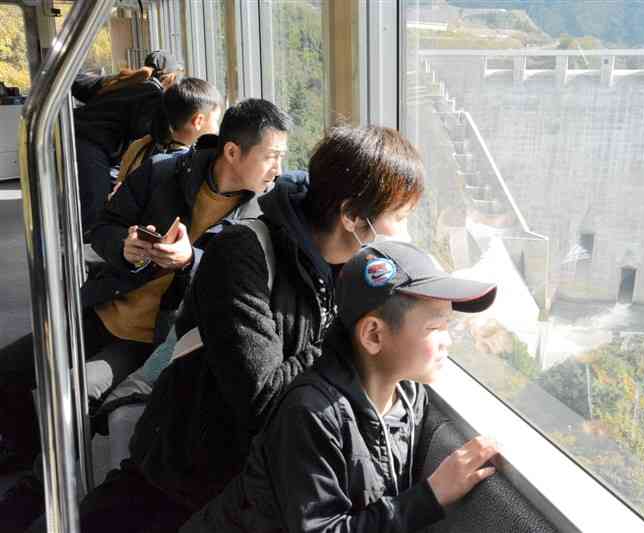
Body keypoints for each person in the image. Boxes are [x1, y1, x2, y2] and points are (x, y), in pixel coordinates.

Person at [45, 125, 426, 533]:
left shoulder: (348, 273)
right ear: (352, 216)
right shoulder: (243, 255)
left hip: (251, 493)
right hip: (181, 481)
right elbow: (260, 399)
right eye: (399, 218)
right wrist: (349, 328)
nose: (404, 236)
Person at [0, 98, 292, 533]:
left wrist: (190, 261)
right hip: (103, 305)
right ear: (233, 152)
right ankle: (23, 455)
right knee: (11, 367)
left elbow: (228, 295)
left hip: (151, 338)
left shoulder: (263, 218)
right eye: (271, 157)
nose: (277, 171)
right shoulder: (166, 172)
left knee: (71, 398)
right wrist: (125, 245)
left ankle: (40, 490)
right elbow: (102, 227)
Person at [183, 240, 500, 533]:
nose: (448, 341)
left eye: (449, 326)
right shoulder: (311, 413)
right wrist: (431, 496)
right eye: (435, 328)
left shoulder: (410, 396)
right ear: (374, 335)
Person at [71, 50, 182, 229]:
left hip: (75, 136)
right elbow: (143, 129)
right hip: (92, 144)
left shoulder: (122, 81)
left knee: (91, 199)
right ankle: (90, 248)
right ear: (170, 76)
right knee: (95, 208)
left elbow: (77, 83)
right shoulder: (152, 93)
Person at [113, 76, 223, 191]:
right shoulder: (195, 166)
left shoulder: (139, 147)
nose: (217, 128)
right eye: (216, 120)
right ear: (198, 121)